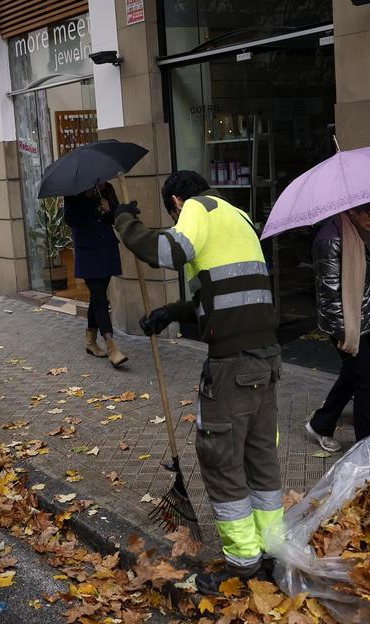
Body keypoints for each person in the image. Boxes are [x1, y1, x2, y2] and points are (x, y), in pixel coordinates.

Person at [112, 170, 282, 594]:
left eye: (173, 213)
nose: (176, 218)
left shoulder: (196, 209)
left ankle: (243, 567)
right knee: (259, 458)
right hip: (266, 359)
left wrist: (123, 221)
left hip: (232, 366)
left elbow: (167, 250)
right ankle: (271, 552)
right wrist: (172, 312)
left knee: (222, 459)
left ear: (174, 202)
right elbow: (224, 298)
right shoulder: (237, 216)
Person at [304, 200, 370, 452]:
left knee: (352, 377)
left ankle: (320, 424)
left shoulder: (366, 235)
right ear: (352, 210)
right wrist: (344, 334)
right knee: (368, 383)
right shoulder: (330, 239)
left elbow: (365, 274)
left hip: (365, 319)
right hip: (346, 326)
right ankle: (368, 446)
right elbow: (329, 295)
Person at [65, 182, 126, 367]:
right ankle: (111, 346)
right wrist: (87, 199)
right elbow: (71, 220)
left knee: (97, 296)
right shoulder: (73, 193)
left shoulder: (107, 189)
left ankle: (90, 342)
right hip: (88, 253)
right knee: (100, 298)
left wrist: (110, 209)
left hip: (106, 250)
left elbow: (116, 218)